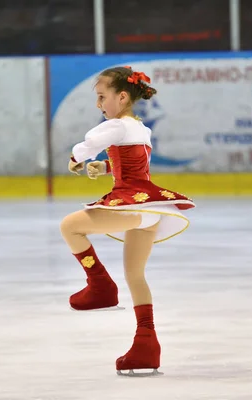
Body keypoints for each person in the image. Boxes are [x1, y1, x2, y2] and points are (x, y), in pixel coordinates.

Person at [59, 66, 195, 376]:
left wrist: (76, 157)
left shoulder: (117, 126)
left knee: (69, 226)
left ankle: (100, 287)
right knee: (135, 274)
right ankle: (146, 343)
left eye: (101, 97)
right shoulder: (140, 128)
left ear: (122, 97)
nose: (99, 105)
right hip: (150, 210)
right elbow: (134, 164)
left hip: (131, 204)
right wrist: (106, 168)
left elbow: (90, 140)